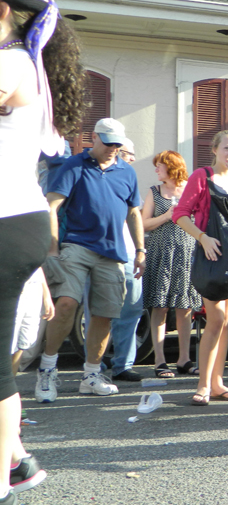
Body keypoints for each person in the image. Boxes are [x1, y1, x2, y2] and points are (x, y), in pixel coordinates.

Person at [0, 0, 86, 505]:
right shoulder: (22, 64)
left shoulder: (8, 63)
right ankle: (15, 461)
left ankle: (4, 488)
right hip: (18, 220)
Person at [38, 117, 144, 403]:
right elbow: (52, 205)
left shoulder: (126, 172)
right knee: (67, 303)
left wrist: (140, 250)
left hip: (113, 251)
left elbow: (134, 213)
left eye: (117, 144)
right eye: (108, 143)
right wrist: (51, 249)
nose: (113, 148)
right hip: (76, 245)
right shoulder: (74, 165)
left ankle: (92, 375)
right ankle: (47, 369)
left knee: (105, 313)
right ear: (94, 139)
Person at [174, 130, 228, 406]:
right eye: (227, 148)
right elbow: (180, 214)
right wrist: (202, 237)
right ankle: (203, 385)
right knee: (216, 319)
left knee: (224, 322)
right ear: (215, 149)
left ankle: (217, 383)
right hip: (209, 252)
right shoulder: (202, 176)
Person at [81, 137, 144, 382]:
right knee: (98, 311)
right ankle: (94, 365)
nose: (131, 158)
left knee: (132, 308)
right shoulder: (98, 175)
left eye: (129, 153)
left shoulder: (129, 178)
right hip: (101, 252)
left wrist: (141, 251)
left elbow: (135, 214)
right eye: (126, 153)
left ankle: (123, 365)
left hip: (128, 253)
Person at [142, 150, 201, 378]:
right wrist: (167, 215)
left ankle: (184, 360)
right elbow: (144, 223)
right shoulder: (154, 192)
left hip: (186, 253)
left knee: (185, 307)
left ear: (171, 166)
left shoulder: (191, 189)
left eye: (159, 166)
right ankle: (159, 361)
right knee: (160, 306)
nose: (156, 170)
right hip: (161, 253)